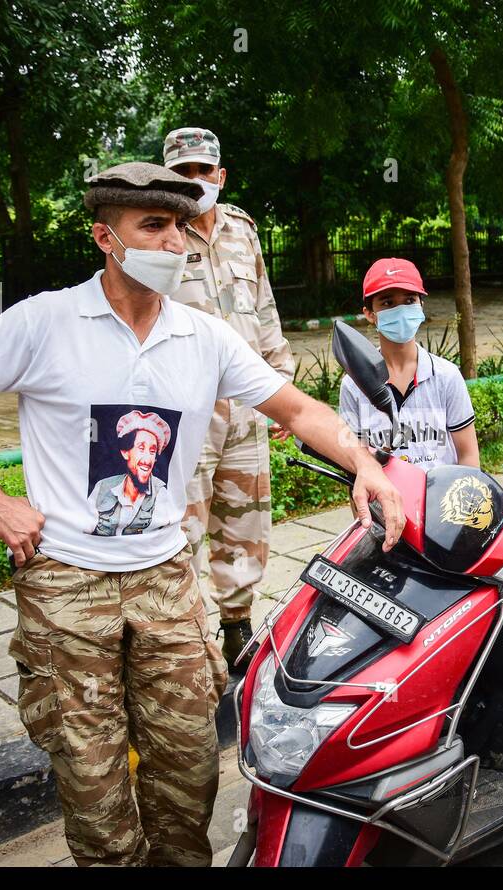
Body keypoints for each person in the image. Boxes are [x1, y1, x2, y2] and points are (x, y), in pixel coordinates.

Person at [0, 161, 404, 867]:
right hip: (65, 585)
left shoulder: (202, 337)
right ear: (105, 238)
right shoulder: (44, 322)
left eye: (180, 226)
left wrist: (365, 463)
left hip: (166, 580)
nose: (175, 241)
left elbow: (296, 408)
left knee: (190, 770)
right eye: (153, 226)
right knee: (95, 790)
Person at [164, 127, 296, 672]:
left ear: (220, 176)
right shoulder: (157, 234)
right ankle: (177, 643)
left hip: (246, 406)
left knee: (246, 522)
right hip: (184, 410)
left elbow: (263, 306)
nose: (194, 182)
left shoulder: (243, 229)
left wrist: (281, 381)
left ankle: (237, 632)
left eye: (203, 171)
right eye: (183, 173)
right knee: (180, 528)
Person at [338, 258, 479, 470]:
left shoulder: (446, 375)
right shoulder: (354, 385)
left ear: (421, 306)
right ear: (369, 314)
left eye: (409, 300)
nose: (401, 310)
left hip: (442, 500)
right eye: (387, 302)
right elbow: (355, 468)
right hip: (384, 502)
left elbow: (468, 456)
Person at [89, 410, 172, 536]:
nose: (147, 460)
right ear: (125, 452)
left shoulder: (160, 493)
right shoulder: (103, 486)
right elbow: (85, 526)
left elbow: (158, 538)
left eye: (152, 451)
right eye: (141, 448)